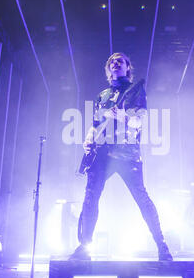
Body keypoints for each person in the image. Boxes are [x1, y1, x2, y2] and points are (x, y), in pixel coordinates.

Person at [69, 52, 173, 261]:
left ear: (127, 68)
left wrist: (123, 116)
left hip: (128, 154)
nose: (115, 64)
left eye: (120, 61)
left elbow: (139, 122)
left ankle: (162, 247)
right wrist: (89, 138)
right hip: (102, 155)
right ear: (108, 70)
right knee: (90, 198)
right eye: (112, 62)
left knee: (142, 199)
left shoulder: (135, 90)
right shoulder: (103, 95)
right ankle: (84, 247)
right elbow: (96, 123)